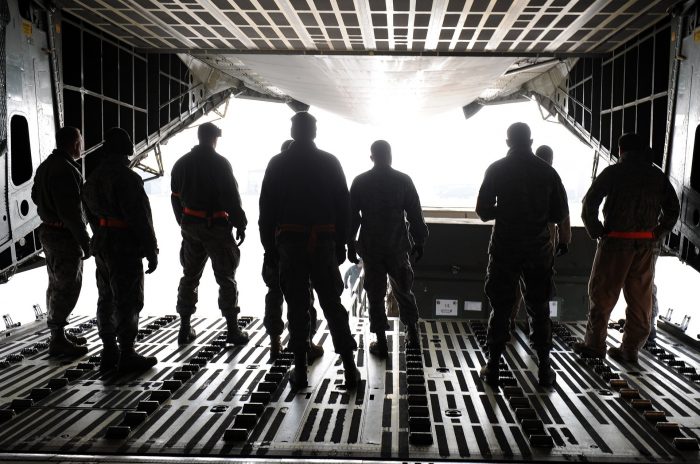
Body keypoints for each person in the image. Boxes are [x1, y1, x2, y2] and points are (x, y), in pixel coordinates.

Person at [259, 111, 359, 389]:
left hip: (290, 245)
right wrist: (343, 243)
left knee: (297, 307)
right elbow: (344, 207)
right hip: (324, 243)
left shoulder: (278, 164)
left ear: (293, 132)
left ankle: (301, 371)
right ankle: (350, 370)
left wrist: (269, 250)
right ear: (314, 132)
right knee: (332, 304)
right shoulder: (330, 162)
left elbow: (266, 212)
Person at [476, 123, 570, 388]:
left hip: (505, 247)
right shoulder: (548, 172)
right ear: (531, 141)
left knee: (502, 307)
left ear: (508, 142)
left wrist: (506, 211)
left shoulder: (497, 169)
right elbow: (558, 214)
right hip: (538, 249)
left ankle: (493, 367)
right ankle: (544, 369)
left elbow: (483, 210)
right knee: (539, 308)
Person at [574, 133, 679, 362]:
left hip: (615, 243)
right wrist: (657, 233)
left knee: (602, 296)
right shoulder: (657, 176)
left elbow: (589, 204)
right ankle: (630, 350)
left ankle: (594, 345)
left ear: (622, 150)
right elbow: (673, 210)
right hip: (645, 246)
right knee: (641, 300)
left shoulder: (614, 172)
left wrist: (597, 231)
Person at [83, 127, 159, 373]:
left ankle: (108, 350)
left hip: (102, 243)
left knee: (105, 297)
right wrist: (151, 249)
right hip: (124, 245)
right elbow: (140, 218)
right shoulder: (128, 178)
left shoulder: (92, 179)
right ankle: (127, 352)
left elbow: (89, 215)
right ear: (126, 152)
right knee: (127, 299)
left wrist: (101, 235)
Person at [170, 122, 249, 346]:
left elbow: (175, 197)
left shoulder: (181, 164)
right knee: (226, 277)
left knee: (190, 276)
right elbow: (232, 198)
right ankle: (233, 330)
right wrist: (240, 224)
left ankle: (184, 328)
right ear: (214, 138)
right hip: (216, 227)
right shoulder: (220, 163)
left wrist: (183, 222)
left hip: (191, 227)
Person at [348, 140, 428, 358]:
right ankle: (412, 334)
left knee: (375, 295)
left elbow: (352, 217)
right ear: (390, 155)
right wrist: (419, 241)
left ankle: (381, 342)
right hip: (397, 247)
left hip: (371, 249)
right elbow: (414, 214)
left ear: (372, 157)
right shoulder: (402, 180)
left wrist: (348, 245)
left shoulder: (361, 182)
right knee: (403, 290)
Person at [31, 127, 90, 357]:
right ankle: (57, 339)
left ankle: (59, 332)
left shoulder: (46, 166)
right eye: (81, 141)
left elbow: (36, 196)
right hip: (64, 235)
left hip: (48, 231)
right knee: (68, 284)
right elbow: (72, 214)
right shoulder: (66, 170)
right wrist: (85, 243)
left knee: (55, 282)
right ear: (75, 143)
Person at [262, 139, 323, 361]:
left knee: (274, 293)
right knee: (304, 296)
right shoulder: (304, 180)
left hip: (276, 245)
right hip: (299, 247)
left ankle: (275, 343)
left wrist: (268, 249)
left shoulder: (274, 174)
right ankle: (306, 343)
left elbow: (264, 216)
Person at [509, 145, 571, 335]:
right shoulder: (552, 177)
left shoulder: (520, 175)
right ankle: (535, 327)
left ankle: (508, 321)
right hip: (543, 242)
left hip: (515, 239)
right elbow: (563, 214)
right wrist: (564, 241)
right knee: (538, 287)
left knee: (513, 283)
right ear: (551, 159)